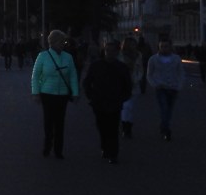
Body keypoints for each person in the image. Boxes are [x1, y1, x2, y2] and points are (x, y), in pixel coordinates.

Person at [83, 40, 134, 164]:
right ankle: (104, 146)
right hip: (99, 102)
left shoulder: (122, 67)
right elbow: (87, 82)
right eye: (107, 51)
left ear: (117, 52)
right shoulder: (96, 65)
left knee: (113, 128)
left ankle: (113, 153)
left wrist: (123, 98)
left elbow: (128, 85)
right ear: (104, 51)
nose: (110, 53)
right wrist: (91, 96)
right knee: (101, 126)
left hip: (115, 102)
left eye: (112, 51)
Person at [31, 29, 79, 159]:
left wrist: (75, 92)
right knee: (48, 121)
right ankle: (47, 145)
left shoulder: (68, 57)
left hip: (62, 93)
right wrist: (35, 93)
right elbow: (35, 76)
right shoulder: (43, 56)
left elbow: (73, 75)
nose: (62, 44)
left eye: (63, 41)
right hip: (47, 93)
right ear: (52, 43)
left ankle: (58, 149)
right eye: (60, 41)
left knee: (60, 122)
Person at [147, 38, 184, 141]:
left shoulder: (176, 59)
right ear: (159, 47)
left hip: (173, 88)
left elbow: (181, 73)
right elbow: (149, 74)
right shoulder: (153, 59)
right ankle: (166, 129)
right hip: (161, 88)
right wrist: (155, 84)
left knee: (169, 110)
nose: (164, 49)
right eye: (162, 46)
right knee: (164, 108)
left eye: (166, 46)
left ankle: (164, 124)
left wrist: (179, 85)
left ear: (170, 47)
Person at [118, 36, 144, 139]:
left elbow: (140, 70)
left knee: (130, 107)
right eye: (132, 44)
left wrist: (137, 79)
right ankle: (125, 127)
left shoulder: (138, 56)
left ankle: (128, 125)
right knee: (126, 106)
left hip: (134, 84)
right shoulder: (120, 56)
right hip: (122, 85)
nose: (134, 46)